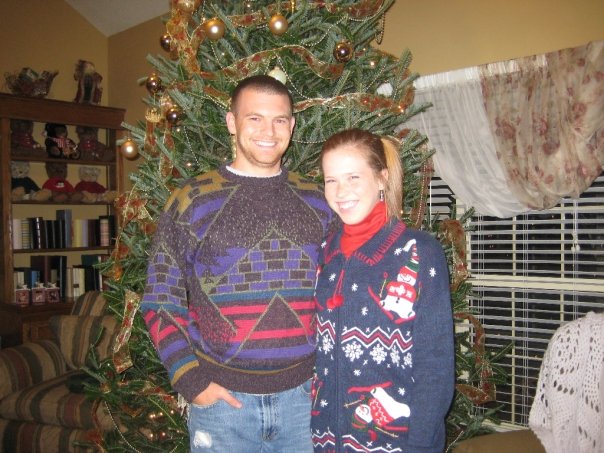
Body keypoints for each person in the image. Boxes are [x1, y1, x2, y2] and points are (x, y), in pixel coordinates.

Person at [141, 75, 333, 452]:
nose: (268, 131)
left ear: (292, 126)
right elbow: (160, 299)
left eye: (279, 120)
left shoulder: (320, 199)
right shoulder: (192, 199)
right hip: (222, 407)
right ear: (232, 122)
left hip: (305, 402)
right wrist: (191, 382)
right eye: (254, 118)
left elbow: (344, 290)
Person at [311, 128, 455, 452]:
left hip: (396, 443)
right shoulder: (325, 252)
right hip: (325, 441)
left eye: (353, 177)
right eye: (331, 180)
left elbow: (435, 367)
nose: (341, 191)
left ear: (381, 178)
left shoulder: (418, 252)